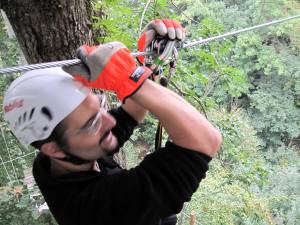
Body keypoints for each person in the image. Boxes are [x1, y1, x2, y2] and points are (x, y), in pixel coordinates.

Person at [3, 19, 222, 225]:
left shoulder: (61, 160)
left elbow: (130, 114)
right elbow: (204, 140)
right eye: (92, 123)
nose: (109, 120)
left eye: (99, 105)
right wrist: (133, 78)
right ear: (54, 149)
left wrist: (147, 64)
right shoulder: (99, 211)